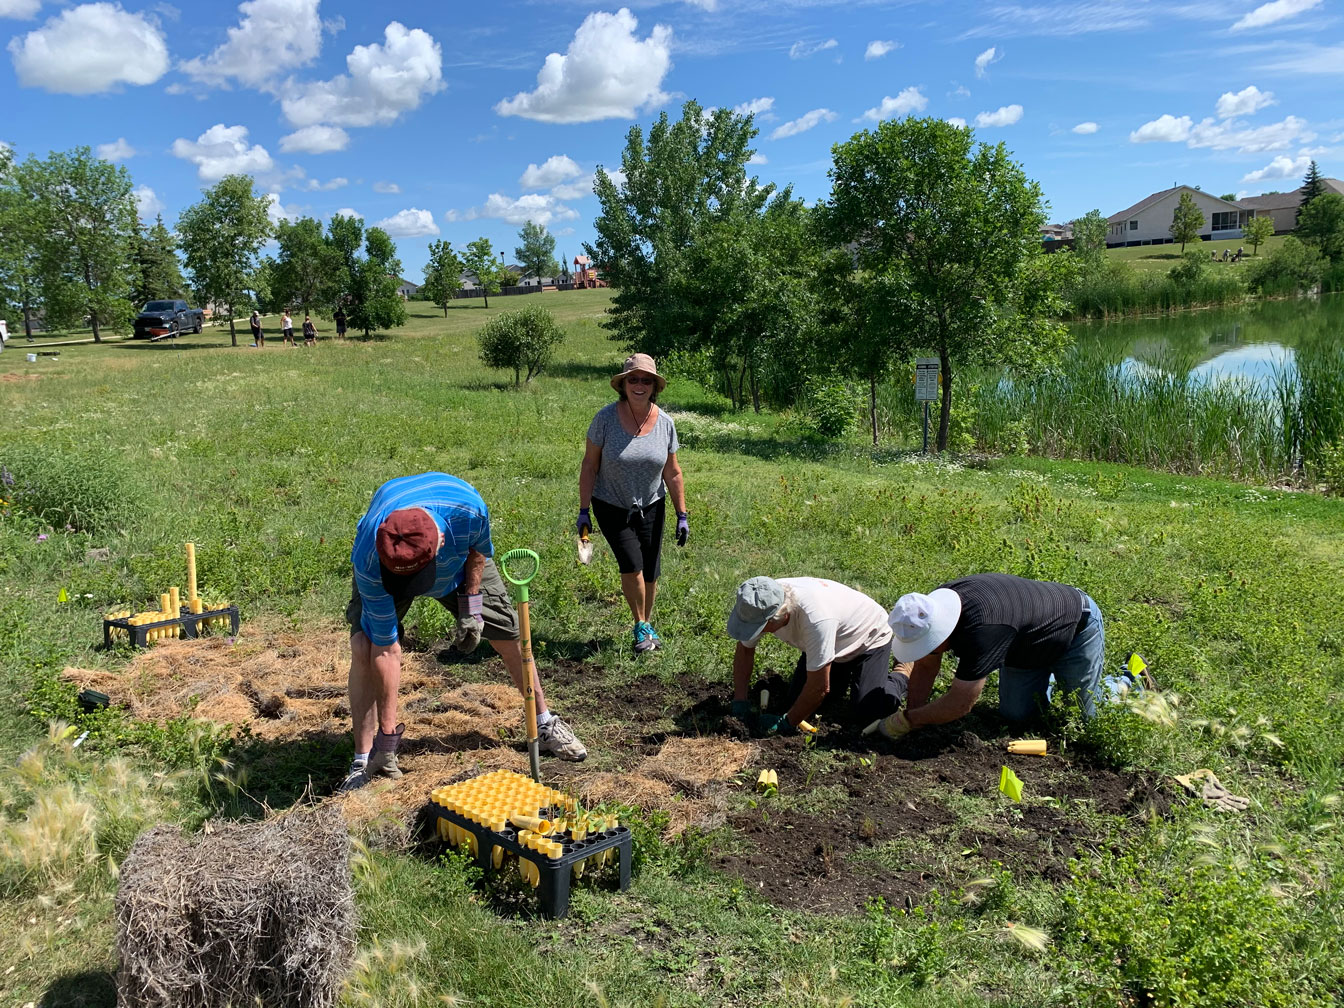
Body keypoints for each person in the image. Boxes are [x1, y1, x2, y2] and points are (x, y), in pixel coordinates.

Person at [339, 472, 587, 792]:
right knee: (364, 645)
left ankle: (544, 723)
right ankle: (364, 758)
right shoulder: (371, 556)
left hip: (458, 565)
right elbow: (386, 650)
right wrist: (388, 738)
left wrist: (472, 607)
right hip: (386, 571)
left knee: (507, 633)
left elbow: (476, 550)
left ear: (441, 541)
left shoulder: (467, 510)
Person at [877, 573, 1105, 741]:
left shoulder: (982, 633)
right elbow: (926, 665)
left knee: (1084, 718)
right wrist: (913, 714)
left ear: (941, 632)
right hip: (1025, 644)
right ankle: (1054, 677)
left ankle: (1121, 681)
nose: (926, 650)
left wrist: (910, 719)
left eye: (927, 644)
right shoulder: (932, 610)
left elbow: (960, 702)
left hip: (1075, 627)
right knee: (1016, 715)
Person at [577, 353, 687, 654]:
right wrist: (584, 510)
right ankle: (640, 625)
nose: (640, 385)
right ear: (623, 385)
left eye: (646, 380)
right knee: (632, 564)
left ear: (654, 386)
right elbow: (589, 465)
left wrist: (682, 514)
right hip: (611, 503)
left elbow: (672, 472)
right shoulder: (605, 419)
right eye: (633, 379)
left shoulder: (665, 423)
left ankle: (647, 624)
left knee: (650, 570)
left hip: (652, 503)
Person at [726, 576, 909, 734]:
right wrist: (740, 699)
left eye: (757, 628)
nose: (752, 632)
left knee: (868, 711)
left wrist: (787, 723)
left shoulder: (815, 619)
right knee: (796, 704)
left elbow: (819, 688)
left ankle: (903, 670)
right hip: (832, 643)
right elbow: (745, 650)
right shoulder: (759, 601)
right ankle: (840, 675)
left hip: (868, 637)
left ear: (781, 617)